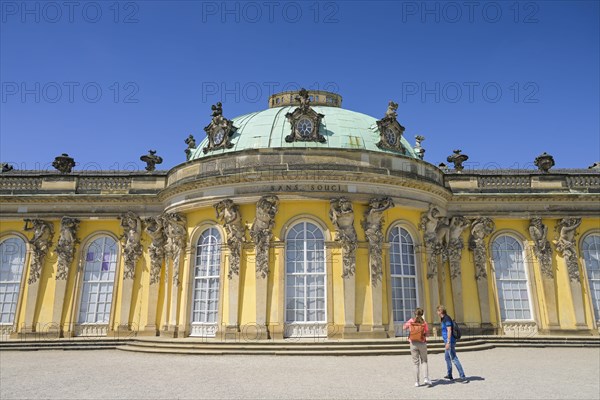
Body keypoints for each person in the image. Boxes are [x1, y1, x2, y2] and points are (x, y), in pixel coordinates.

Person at [436, 305, 468, 383]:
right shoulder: (443, 318)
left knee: (454, 358)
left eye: (437, 311)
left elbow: (449, 330)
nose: (437, 313)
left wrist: (448, 342)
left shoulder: (446, 318)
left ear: (440, 311)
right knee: (447, 358)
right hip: (447, 341)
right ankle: (449, 374)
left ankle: (463, 376)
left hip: (450, 341)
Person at [403, 308, 431, 387]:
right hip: (422, 343)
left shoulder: (411, 321)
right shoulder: (424, 322)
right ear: (422, 314)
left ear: (415, 313)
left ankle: (416, 382)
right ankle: (425, 378)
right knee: (424, 361)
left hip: (413, 343)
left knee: (415, 363)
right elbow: (427, 334)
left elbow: (404, 328)